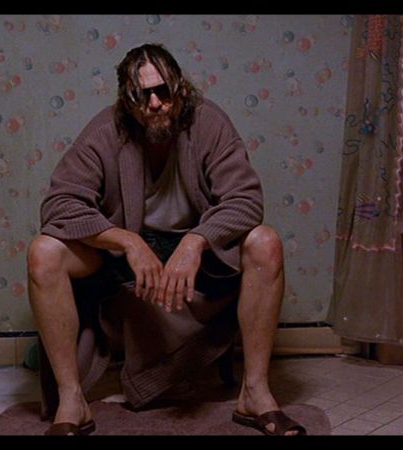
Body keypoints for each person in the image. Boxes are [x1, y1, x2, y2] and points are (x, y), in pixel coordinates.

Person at [27, 43, 305, 436]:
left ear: (181, 88)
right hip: (123, 263)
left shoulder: (209, 123)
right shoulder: (106, 131)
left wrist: (196, 241)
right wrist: (128, 242)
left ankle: (254, 392)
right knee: (43, 252)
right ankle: (72, 399)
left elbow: (246, 200)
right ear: (127, 101)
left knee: (266, 243)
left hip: (202, 261)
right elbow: (58, 206)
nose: (155, 103)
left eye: (164, 91)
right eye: (142, 95)